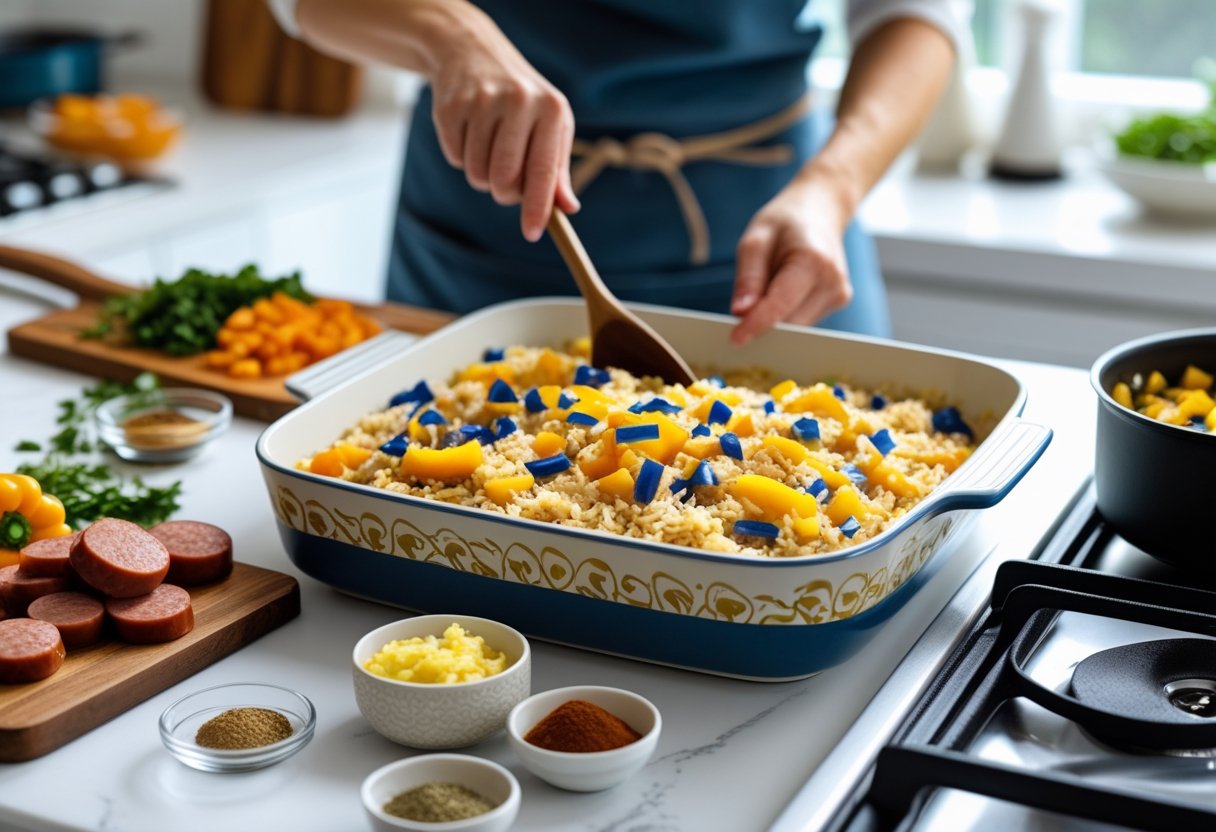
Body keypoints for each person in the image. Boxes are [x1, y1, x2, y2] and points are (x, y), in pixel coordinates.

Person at [268, 0, 959, 344]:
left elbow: (918, 12)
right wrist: (452, 35)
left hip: (775, 210)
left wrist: (833, 186)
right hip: (484, 215)